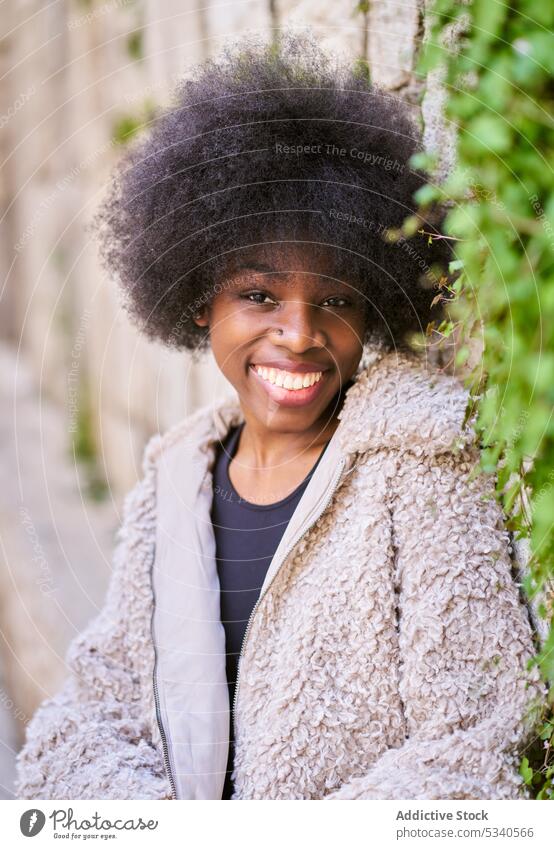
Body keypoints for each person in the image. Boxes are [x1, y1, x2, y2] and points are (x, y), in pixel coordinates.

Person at [15, 34, 544, 800]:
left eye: (335, 300)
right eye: (259, 295)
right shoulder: (176, 483)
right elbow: (91, 710)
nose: (299, 334)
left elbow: (477, 742)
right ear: (200, 300)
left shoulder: (417, 467)